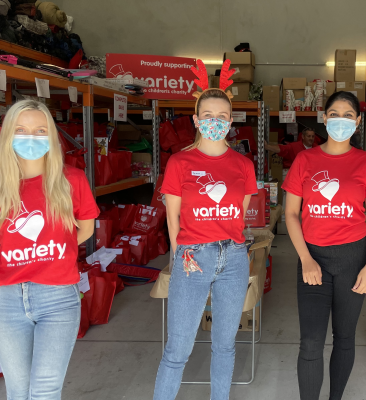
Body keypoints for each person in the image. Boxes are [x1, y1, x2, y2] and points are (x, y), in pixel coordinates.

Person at [0, 100, 99, 399]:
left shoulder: (71, 180)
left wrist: (56, 250)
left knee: (45, 390)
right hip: (7, 300)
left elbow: (86, 229)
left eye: (40, 130)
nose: (31, 137)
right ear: (8, 134)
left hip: (58, 297)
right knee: (18, 391)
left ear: (51, 136)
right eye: (21, 130)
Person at [153, 60, 258, 400]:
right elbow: (172, 217)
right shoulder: (179, 163)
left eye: (222, 116)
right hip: (192, 258)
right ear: (197, 120)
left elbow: (238, 215)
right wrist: (178, 256)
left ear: (231, 120)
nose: (215, 121)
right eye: (208, 115)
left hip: (234, 258)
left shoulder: (243, 165)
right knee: (177, 349)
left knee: (225, 346)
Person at [282, 91, 366, 400]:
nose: (341, 120)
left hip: (353, 258)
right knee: (311, 342)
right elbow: (291, 214)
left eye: (348, 115)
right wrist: (305, 259)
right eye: (334, 114)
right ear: (324, 119)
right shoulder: (305, 159)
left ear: (358, 121)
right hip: (313, 258)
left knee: (344, 337)